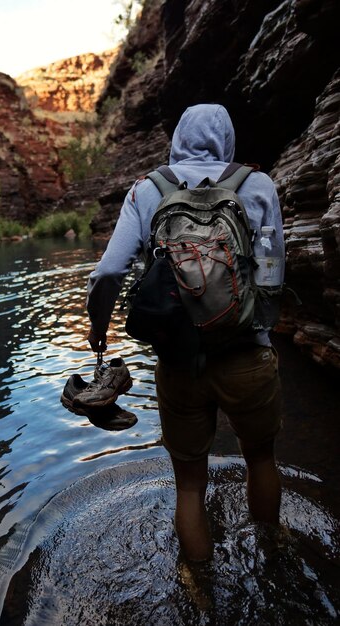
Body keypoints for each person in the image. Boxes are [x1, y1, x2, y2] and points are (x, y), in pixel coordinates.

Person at [85, 104, 284, 563]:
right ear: (228, 139)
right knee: (261, 460)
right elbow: (272, 271)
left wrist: (99, 330)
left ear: (176, 138)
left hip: (179, 363)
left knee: (190, 485)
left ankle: (198, 586)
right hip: (246, 355)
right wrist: (259, 331)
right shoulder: (257, 184)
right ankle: (274, 562)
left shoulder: (146, 190)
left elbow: (109, 272)